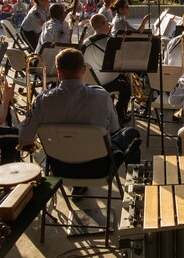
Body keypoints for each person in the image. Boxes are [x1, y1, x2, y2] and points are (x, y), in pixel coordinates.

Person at [19, 49, 142, 177]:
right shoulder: (102, 97)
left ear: (58, 71)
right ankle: (134, 186)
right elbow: (114, 129)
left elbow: (24, 139)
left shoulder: (42, 100)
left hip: (59, 169)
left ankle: (78, 186)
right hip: (99, 169)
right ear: (83, 70)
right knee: (132, 134)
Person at [82, 14, 132, 122]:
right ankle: (121, 113)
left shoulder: (85, 42)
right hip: (105, 83)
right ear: (104, 24)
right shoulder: (111, 41)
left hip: (89, 82)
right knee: (126, 84)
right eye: (107, 21)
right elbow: (120, 62)